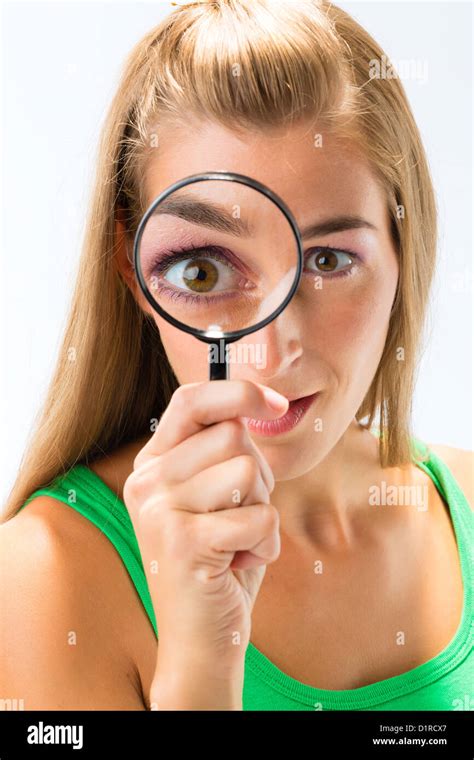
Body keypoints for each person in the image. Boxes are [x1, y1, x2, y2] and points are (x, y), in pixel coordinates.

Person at [1, 0, 472, 711]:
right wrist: (197, 663)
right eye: (203, 271)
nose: (269, 348)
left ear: (406, 256)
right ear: (133, 273)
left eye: (328, 258)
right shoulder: (43, 578)